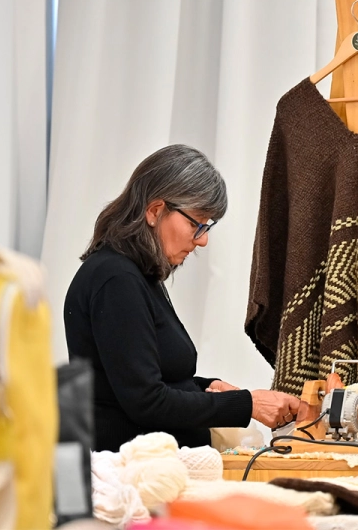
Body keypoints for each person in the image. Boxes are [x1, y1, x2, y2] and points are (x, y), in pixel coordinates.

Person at [64, 144, 299, 451]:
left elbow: (149, 382)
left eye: (206, 226)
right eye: (195, 224)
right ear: (155, 211)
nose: (203, 240)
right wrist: (247, 404)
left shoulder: (134, 276)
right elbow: (146, 402)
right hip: (135, 470)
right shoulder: (116, 280)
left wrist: (209, 389)